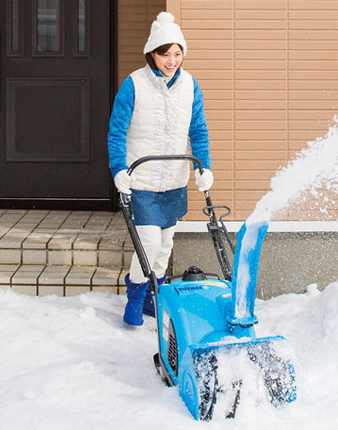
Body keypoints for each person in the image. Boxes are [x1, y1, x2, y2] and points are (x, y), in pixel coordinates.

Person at [107, 12, 214, 327]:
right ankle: (136, 296)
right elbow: (117, 131)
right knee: (149, 242)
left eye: (177, 54)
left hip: (174, 178)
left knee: (166, 243)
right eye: (165, 54)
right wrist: (118, 168)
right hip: (142, 179)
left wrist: (203, 166)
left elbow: (198, 130)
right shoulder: (134, 85)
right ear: (151, 54)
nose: (172, 60)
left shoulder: (191, 86)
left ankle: (154, 296)